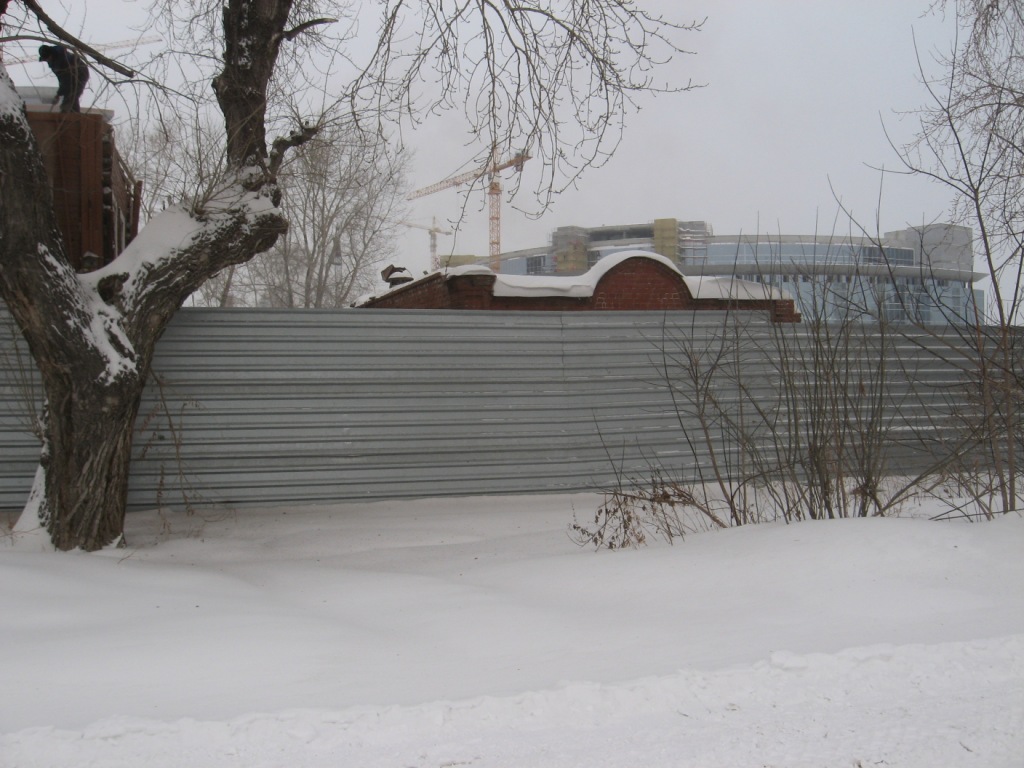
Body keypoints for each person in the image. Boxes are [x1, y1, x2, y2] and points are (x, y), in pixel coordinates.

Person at [38, 44, 89, 113]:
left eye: (47, 58)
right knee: (69, 94)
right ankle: (70, 113)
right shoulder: (53, 62)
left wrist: (59, 94)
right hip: (69, 77)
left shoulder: (63, 59)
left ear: (51, 54)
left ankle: (70, 114)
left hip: (80, 73)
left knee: (72, 95)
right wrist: (58, 94)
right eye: (45, 59)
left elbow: (66, 80)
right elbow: (61, 79)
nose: (47, 60)